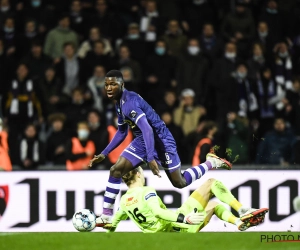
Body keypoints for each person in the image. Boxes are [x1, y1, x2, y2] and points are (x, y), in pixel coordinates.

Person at [89, 70, 232, 226]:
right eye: (106, 84)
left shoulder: (129, 103)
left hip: (161, 140)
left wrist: (150, 158)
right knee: (116, 170)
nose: (109, 88)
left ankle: (212, 163)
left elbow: (148, 129)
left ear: (122, 85)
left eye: (113, 84)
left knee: (180, 182)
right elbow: (122, 131)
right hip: (142, 140)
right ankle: (106, 216)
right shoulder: (119, 103)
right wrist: (104, 153)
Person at [100, 166, 268, 233]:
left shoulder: (124, 200)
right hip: (178, 226)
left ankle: (239, 222)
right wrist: (184, 219)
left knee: (214, 205)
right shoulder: (146, 191)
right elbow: (158, 212)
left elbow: (113, 224)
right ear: (138, 174)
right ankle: (242, 209)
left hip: (167, 235)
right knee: (211, 183)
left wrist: (103, 225)